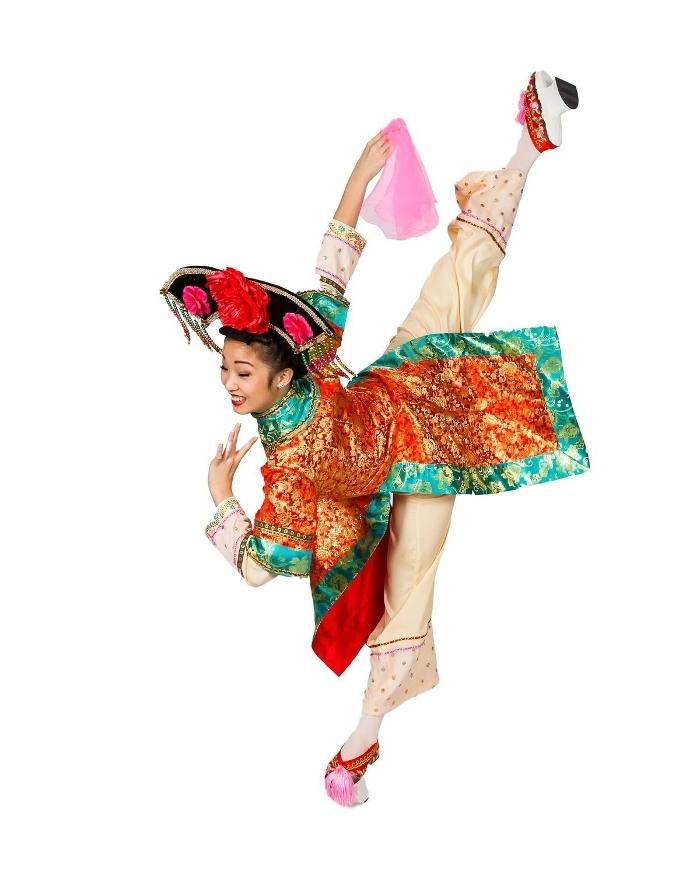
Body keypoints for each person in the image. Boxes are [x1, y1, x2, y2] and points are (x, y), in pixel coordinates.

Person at [160, 70, 588, 808]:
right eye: (226, 369)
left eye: (240, 370)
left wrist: (361, 174)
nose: (228, 382)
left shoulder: (310, 355)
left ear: (283, 371)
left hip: (397, 387)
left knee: (458, 279)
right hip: (406, 482)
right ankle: (360, 743)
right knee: (409, 594)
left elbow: (332, 271)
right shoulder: (286, 466)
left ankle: (529, 142)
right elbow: (262, 567)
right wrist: (223, 497)